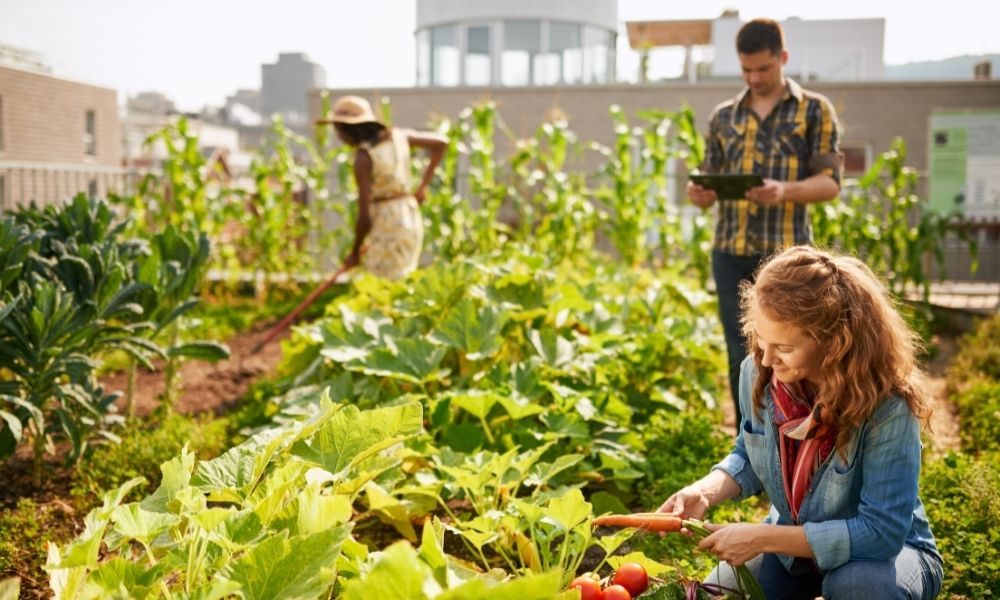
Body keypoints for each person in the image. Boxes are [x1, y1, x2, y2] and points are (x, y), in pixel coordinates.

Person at [658, 246, 943, 600]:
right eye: (761, 339)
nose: (765, 357)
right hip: (794, 550)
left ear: (834, 342)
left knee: (856, 587)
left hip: (887, 556)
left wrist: (760, 538)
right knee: (722, 592)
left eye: (784, 347)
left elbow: (880, 533)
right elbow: (748, 453)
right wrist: (704, 491)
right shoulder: (760, 373)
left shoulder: (886, 404)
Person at [687, 18, 843, 426]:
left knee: (795, 351)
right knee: (739, 352)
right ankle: (750, 442)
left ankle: (800, 433)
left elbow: (830, 184)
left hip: (787, 257)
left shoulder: (813, 110)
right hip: (730, 251)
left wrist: (784, 190)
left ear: (783, 58)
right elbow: (709, 178)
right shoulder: (723, 117)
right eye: (747, 70)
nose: (755, 78)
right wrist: (700, 195)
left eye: (764, 69)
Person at [318, 95, 447, 280]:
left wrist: (354, 252)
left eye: (338, 130)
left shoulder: (364, 158)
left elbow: (365, 216)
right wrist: (422, 188)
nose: (339, 137)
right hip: (409, 216)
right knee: (401, 282)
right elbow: (441, 143)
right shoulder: (399, 137)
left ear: (348, 129)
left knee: (381, 288)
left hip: (386, 224)